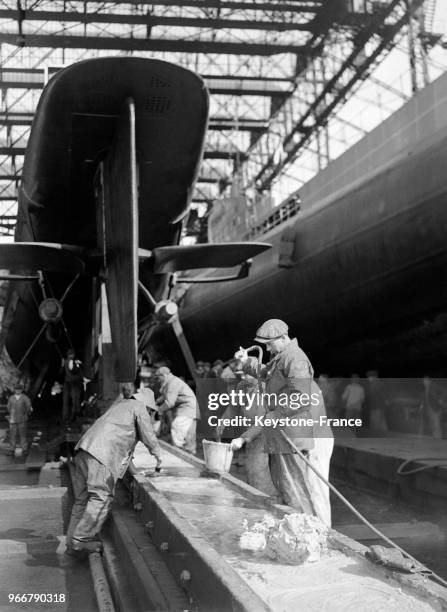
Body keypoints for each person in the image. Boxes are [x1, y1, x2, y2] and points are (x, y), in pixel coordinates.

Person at [230, 319, 316, 517]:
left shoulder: (295, 359)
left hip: (291, 436)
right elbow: (264, 372)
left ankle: (305, 534)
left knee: (295, 490)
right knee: (284, 487)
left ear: (284, 338)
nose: (267, 348)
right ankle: (293, 529)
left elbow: (301, 399)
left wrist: (272, 416)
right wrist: (245, 361)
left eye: (269, 343)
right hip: (280, 435)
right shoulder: (281, 356)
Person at [66, 382, 161, 555]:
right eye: (151, 413)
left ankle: (71, 543)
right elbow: (149, 435)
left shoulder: (121, 407)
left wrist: (133, 472)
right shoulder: (139, 408)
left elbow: (125, 451)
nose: (150, 416)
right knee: (102, 497)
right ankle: (82, 539)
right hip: (101, 455)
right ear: (148, 407)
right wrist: (158, 455)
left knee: (82, 500)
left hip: (83, 451)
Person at [155, 367, 200, 454]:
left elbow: (169, 402)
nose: (158, 380)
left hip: (188, 408)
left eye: (158, 378)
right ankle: (188, 452)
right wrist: (156, 402)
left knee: (177, 426)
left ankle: (178, 451)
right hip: (188, 408)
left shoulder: (172, 383)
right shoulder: (169, 382)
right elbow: (165, 396)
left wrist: (159, 410)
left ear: (163, 375)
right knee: (188, 433)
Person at [6, 383, 32, 455]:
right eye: (16, 389)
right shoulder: (11, 398)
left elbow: (28, 406)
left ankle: (24, 449)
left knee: (23, 435)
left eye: (19, 389)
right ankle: (11, 450)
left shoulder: (25, 397)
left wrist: (25, 413)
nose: (18, 391)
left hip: (22, 419)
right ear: (14, 390)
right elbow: (8, 407)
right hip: (13, 420)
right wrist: (12, 414)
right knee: (12, 435)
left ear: (22, 390)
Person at [62, 349, 84, 423]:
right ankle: (73, 417)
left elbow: (61, 372)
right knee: (74, 400)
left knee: (66, 401)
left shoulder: (65, 361)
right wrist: (77, 364)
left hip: (66, 382)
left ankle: (65, 417)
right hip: (73, 383)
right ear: (72, 355)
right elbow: (73, 370)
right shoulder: (72, 361)